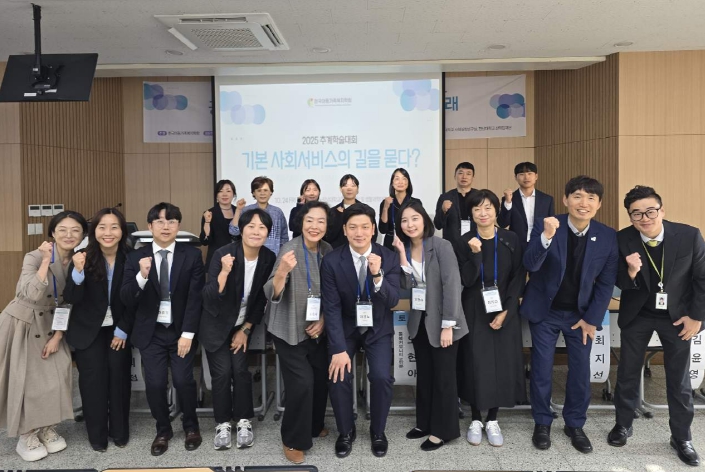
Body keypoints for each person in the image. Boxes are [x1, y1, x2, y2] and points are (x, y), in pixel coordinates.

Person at [609, 185, 705, 466]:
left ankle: (682, 437)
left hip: (678, 316)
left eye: (650, 211)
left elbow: (702, 278)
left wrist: (697, 316)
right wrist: (630, 271)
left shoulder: (689, 235)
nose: (645, 218)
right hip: (638, 314)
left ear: (662, 210)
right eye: (636, 214)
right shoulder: (622, 239)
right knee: (627, 371)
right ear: (630, 217)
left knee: (678, 378)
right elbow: (616, 280)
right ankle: (623, 424)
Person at [521, 176, 618, 454]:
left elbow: (606, 283)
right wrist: (546, 237)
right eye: (577, 196)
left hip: (581, 316)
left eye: (590, 198)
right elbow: (530, 264)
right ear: (565, 200)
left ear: (599, 204)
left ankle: (575, 424)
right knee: (541, 368)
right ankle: (542, 422)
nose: (583, 203)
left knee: (579, 371)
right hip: (546, 312)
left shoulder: (607, 236)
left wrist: (592, 319)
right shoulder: (548, 225)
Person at [0, 210, 87, 462]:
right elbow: (29, 293)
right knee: (27, 380)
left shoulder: (80, 260)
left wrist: (58, 336)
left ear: (82, 235)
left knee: (58, 375)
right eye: (62, 230)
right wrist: (45, 261)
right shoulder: (34, 256)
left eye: (75, 230)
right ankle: (26, 434)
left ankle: (47, 427)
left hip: (55, 322)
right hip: (24, 322)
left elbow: (71, 302)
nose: (69, 235)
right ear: (52, 233)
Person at [120, 202, 204, 456]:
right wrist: (142, 276)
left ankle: (191, 426)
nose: (165, 226)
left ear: (178, 226)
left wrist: (187, 334)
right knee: (155, 384)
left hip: (180, 331)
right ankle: (163, 430)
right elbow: (126, 297)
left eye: (171, 221)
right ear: (150, 226)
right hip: (151, 332)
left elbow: (195, 298)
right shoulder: (135, 257)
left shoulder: (192, 256)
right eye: (160, 221)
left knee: (183, 380)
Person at [321, 203, 400, 458]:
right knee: (338, 375)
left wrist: (377, 276)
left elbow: (393, 300)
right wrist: (338, 348)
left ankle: (378, 431)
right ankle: (346, 431)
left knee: (381, 377)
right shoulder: (332, 260)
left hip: (378, 326)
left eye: (365, 227)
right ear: (344, 230)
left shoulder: (388, 256)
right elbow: (331, 307)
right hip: (346, 326)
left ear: (373, 229)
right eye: (353, 227)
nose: (359, 232)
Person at [390, 201, 468, 451]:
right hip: (419, 321)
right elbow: (406, 286)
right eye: (404, 220)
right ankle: (424, 423)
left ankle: (444, 431)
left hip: (444, 322)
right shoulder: (404, 248)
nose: (410, 224)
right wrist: (402, 256)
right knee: (425, 376)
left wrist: (448, 325)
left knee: (444, 378)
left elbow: (452, 284)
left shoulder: (441, 246)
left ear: (424, 219)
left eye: (414, 218)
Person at [201, 208, 276, 451]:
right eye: (251, 226)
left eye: (262, 227)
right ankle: (223, 423)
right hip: (215, 323)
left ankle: (244, 421)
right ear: (241, 230)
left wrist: (245, 329)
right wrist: (224, 272)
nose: (256, 231)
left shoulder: (268, 258)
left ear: (268, 233)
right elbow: (209, 296)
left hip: (241, 324)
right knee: (222, 373)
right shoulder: (223, 253)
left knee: (241, 370)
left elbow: (261, 299)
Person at [455, 190, 526, 448]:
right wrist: (475, 254)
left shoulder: (510, 239)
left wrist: (507, 310)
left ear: (496, 211)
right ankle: (476, 418)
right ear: (471, 214)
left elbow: (518, 276)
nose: (482, 213)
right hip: (474, 308)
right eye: (477, 209)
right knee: (476, 362)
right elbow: (466, 279)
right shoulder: (463, 241)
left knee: (501, 363)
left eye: (487, 208)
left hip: (504, 308)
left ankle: (493, 419)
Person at [264, 201, 332, 464]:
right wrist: (281, 272)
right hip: (289, 328)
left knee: (320, 378)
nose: (315, 226)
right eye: (309, 220)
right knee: (302, 383)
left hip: (317, 327)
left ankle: (314, 426)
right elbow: (271, 292)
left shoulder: (328, 250)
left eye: (321, 221)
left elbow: (335, 291)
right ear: (301, 223)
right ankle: (292, 439)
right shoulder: (289, 249)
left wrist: (324, 319)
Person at [63, 208, 134, 452]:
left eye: (114, 227)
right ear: (94, 231)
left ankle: (120, 433)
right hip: (88, 330)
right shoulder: (82, 257)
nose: (108, 232)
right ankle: (97, 436)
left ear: (122, 231)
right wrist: (78, 272)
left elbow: (136, 299)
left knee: (119, 379)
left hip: (119, 328)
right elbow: (71, 297)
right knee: (93, 383)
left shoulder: (132, 258)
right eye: (102, 227)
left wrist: (123, 329)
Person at [497, 162, 555, 248]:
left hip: (540, 243)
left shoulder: (547, 199)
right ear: (516, 177)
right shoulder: (509, 199)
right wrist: (508, 203)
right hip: (516, 245)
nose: (526, 177)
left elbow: (551, 224)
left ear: (536, 176)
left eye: (529, 173)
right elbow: (502, 224)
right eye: (521, 174)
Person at [230, 176, 289, 255]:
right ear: (253, 193)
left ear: (271, 192)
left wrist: (282, 255)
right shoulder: (247, 210)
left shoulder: (277, 212)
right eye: (259, 190)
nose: (262, 193)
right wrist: (238, 210)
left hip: (274, 255)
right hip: (250, 255)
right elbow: (234, 231)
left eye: (265, 190)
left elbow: (284, 238)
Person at [433, 162, 479, 260]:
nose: (464, 177)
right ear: (455, 176)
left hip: (475, 243)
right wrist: (443, 211)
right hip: (452, 246)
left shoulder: (479, 196)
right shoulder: (445, 197)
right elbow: (438, 225)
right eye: (460, 173)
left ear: (473, 177)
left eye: (468, 174)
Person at [200, 179, 246, 271]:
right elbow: (205, 241)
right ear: (216, 195)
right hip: (217, 260)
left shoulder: (240, 212)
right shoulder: (210, 213)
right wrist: (207, 222)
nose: (224, 194)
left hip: (237, 260)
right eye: (220, 191)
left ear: (233, 194)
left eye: (228, 191)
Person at [325, 174, 378, 249]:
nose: (349, 188)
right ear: (340, 189)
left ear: (357, 189)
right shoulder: (333, 211)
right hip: (338, 252)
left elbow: (373, 236)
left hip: (360, 251)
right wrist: (339, 216)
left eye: (353, 186)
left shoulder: (366, 210)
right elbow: (329, 237)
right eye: (345, 185)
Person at [379, 168, 422, 251]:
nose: (400, 182)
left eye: (404, 179)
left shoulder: (415, 202)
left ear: (408, 183)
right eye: (397, 179)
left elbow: (421, 226)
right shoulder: (386, 202)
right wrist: (385, 208)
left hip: (410, 242)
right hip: (391, 244)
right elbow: (383, 230)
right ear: (392, 183)